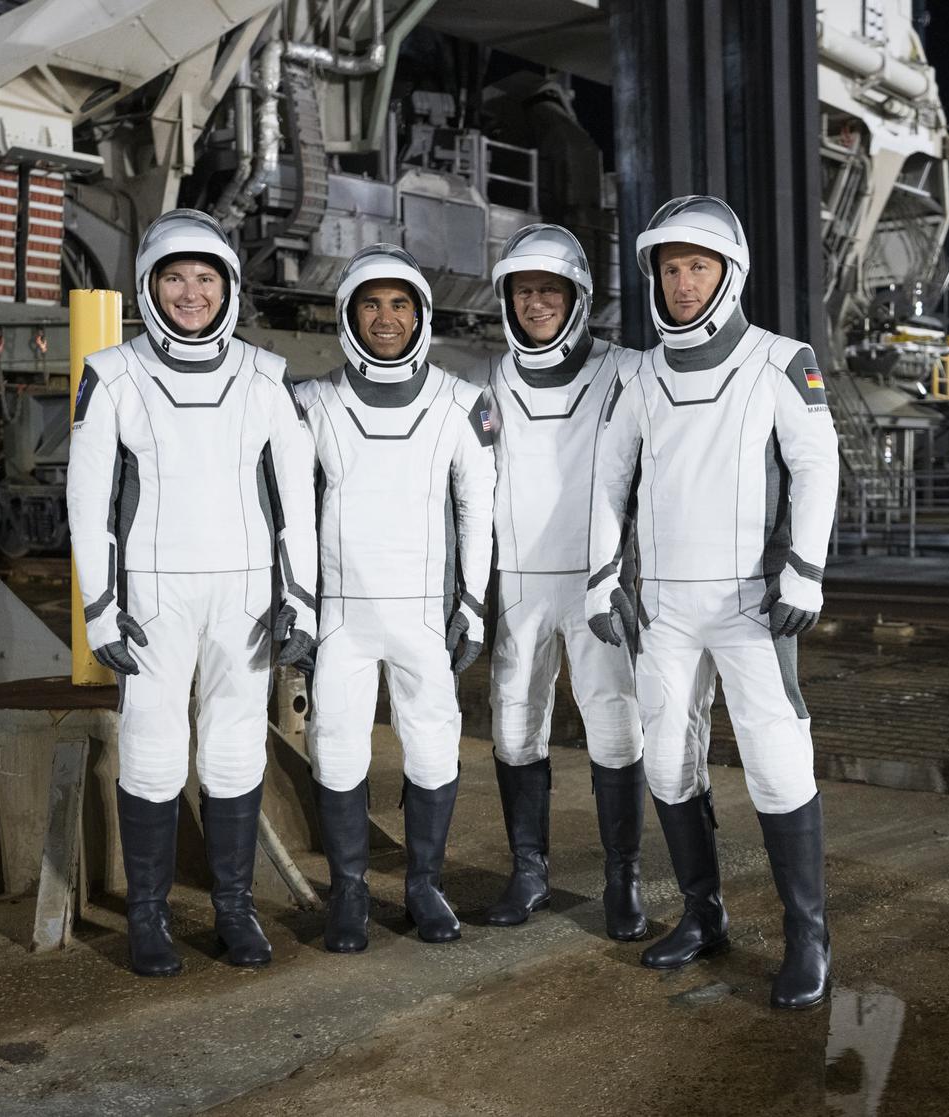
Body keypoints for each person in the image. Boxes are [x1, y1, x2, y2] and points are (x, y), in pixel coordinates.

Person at [587, 196, 839, 1009]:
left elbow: (817, 464)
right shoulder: (640, 374)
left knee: (775, 761)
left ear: (729, 273)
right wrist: (601, 576)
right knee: (667, 760)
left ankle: (808, 938)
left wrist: (804, 567)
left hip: (751, 605)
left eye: (698, 265)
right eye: (670, 267)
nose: (684, 282)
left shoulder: (779, 359)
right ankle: (704, 915)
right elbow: (609, 479)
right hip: (662, 609)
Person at [66, 209, 317, 976]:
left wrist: (299, 598)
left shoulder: (265, 377)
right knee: (150, 750)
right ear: (149, 285)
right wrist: (101, 605)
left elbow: (295, 497)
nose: (191, 293)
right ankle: (148, 917)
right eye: (174, 277)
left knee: (236, 749)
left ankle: (233, 909)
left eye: (206, 278)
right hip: (152, 598)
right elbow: (87, 498)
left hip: (243, 598)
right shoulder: (113, 376)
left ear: (229, 287)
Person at [294, 244, 495, 953]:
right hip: (340, 616)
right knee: (337, 748)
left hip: (423, 612)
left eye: (401, 304)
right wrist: (295, 601)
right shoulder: (314, 402)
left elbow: (478, 507)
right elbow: (289, 508)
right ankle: (348, 890)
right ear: (349, 314)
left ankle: (424, 885)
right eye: (372, 304)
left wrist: (471, 602)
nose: (387, 318)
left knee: (434, 747)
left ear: (422, 314)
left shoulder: (460, 402)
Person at [467, 224, 650, 940]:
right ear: (507, 298)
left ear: (578, 296)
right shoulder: (485, 378)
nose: (536, 302)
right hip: (517, 581)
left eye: (550, 289)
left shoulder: (627, 369)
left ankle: (623, 876)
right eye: (523, 290)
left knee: (614, 723)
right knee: (514, 728)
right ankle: (530, 870)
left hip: (597, 581)